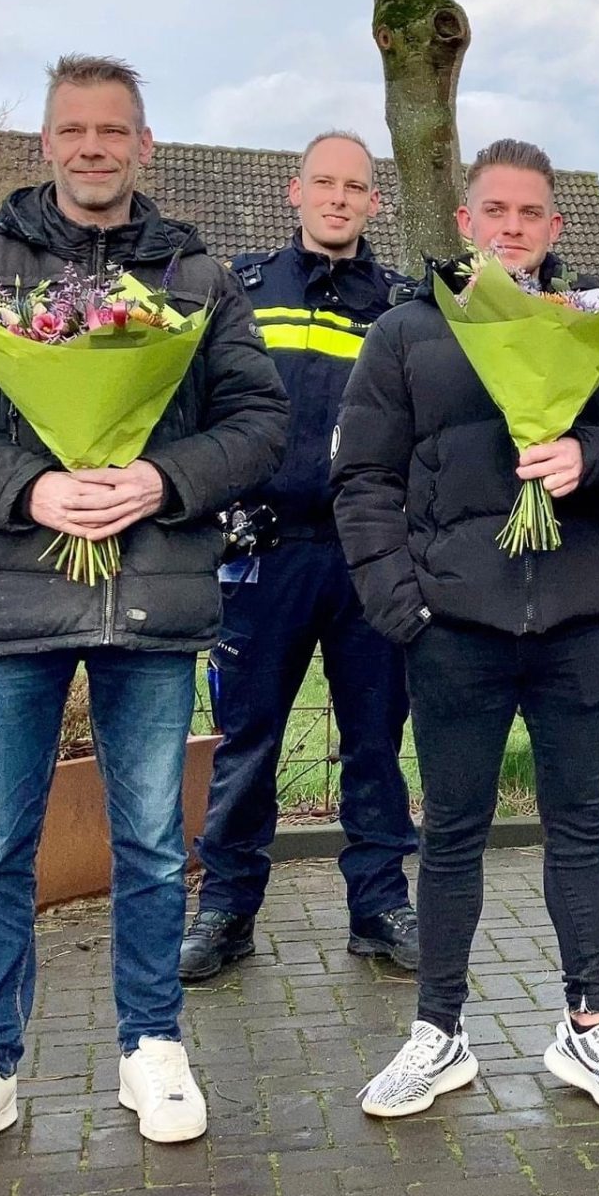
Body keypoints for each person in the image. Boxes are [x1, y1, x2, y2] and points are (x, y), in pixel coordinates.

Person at [0, 55, 289, 1174]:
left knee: (154, 843)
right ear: (45, 142)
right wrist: (27, 488)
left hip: (151, 601)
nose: (95, 146)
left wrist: (161, 479)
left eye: (116, 130)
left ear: (144, 145)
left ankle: (151, 1042)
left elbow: (260, 421)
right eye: (75, 129)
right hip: (14, 597)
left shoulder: (198, 279)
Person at [333, 138, 599, 1119]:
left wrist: (589, 455)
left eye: (532, 214)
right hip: (456, 630)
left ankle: (587, 1024)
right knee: (449, 836)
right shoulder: (407, 331)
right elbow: (361, 479)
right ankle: (437, 1031)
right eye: (498, 211)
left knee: (581, 831)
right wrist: (405, 603)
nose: (514, 228)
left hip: (582, 624)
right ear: (467, 220)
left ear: (553, 226)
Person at [179, 132, 421, 983]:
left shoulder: (401, 303)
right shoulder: (240, 290)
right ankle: (226, 910)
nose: (339, 199)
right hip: (262, 554)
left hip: (366, 556)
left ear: (373, 202)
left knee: (374, 743)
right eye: (325, 183)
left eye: (355, 187)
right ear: (295, 191)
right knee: (246, 742)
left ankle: (381, 906)